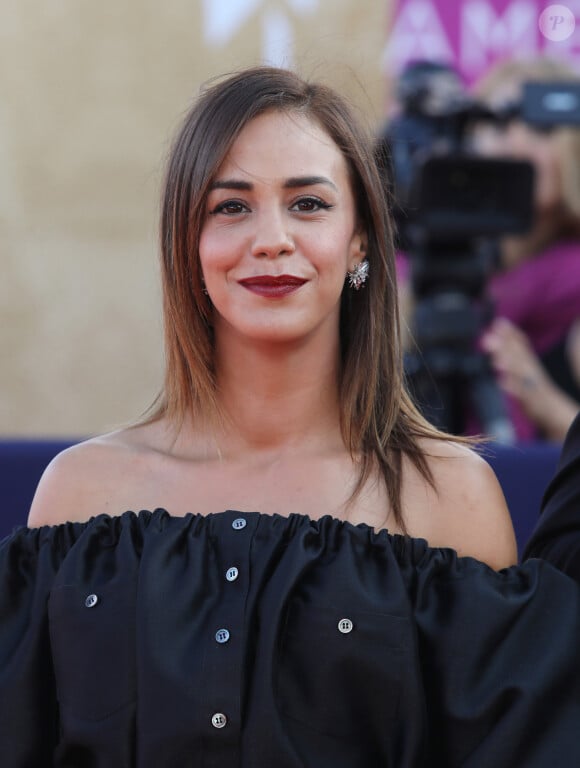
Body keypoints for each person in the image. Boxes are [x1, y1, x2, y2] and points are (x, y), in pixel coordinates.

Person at [2, 66, 580, 767]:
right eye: (231, 207)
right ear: (188, 243)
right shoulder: (80, 493)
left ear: (362, 241)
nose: (271, 238)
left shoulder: (450, 496)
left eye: (308, 204)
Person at [472, 56, 580, 442]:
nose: (516, 143)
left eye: (539, 128)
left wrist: (543, 400)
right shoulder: (421, 273)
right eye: (498, 124)